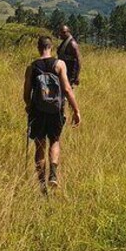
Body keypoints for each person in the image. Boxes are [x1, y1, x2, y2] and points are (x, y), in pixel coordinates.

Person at [23, 35, 81, 190]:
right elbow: (67, 89)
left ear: (38, 47)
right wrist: (76, 110)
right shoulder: (59, 64)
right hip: (56, 111)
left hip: (38, 111)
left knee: (39, 146)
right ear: (51, 47)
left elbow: (26, 94)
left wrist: (29, 106)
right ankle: (53, 174)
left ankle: (42, 186)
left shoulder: (32, 67)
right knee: (54, 141)